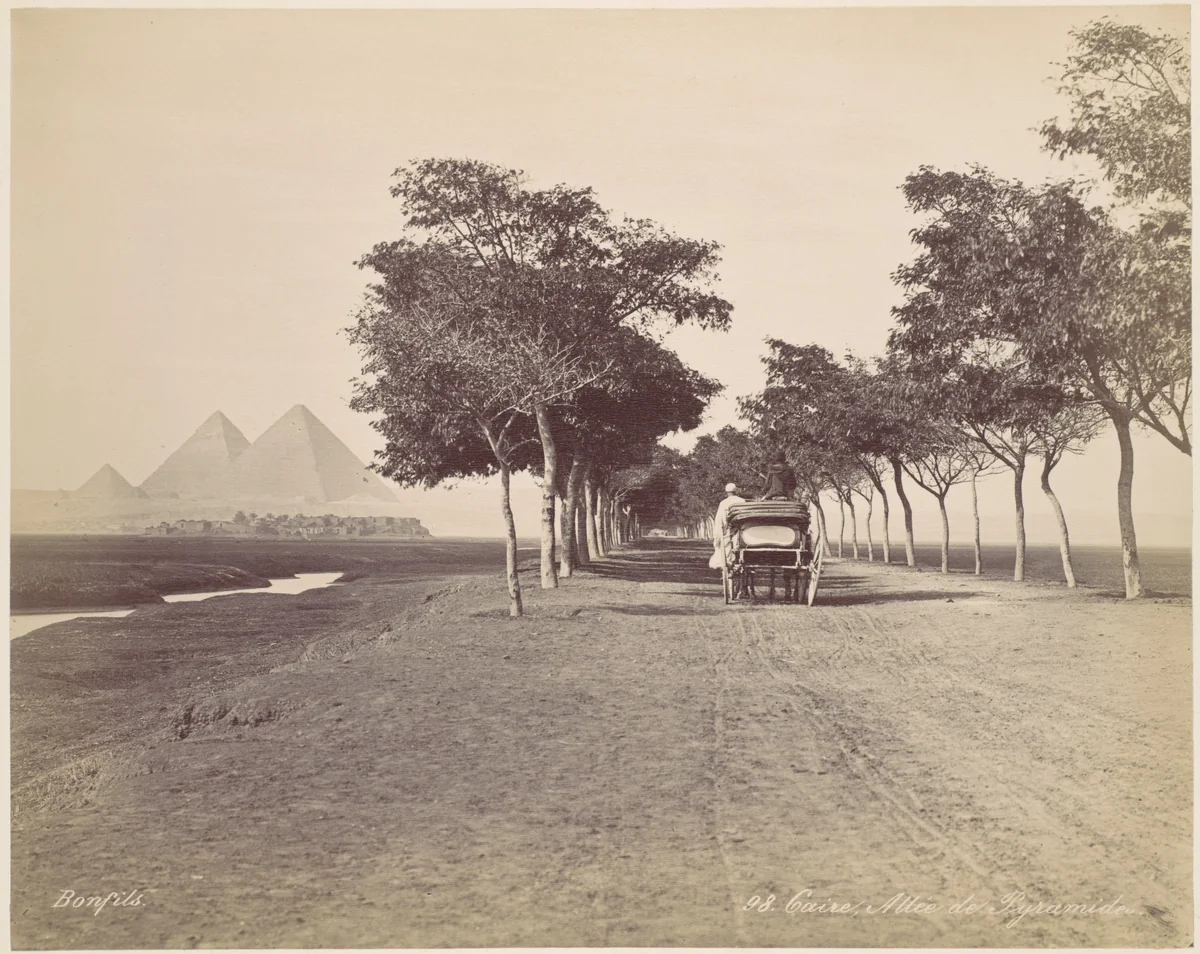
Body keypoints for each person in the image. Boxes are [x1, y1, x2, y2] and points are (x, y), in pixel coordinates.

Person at [708, 482, 745, 570]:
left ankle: (729, 561)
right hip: (741, 529)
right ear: (735, 491)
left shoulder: (723, 503)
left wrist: (718, 535)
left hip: (728, 529)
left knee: (726, 543)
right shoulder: (742, 501)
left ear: (726, 492)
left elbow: (719, 520)